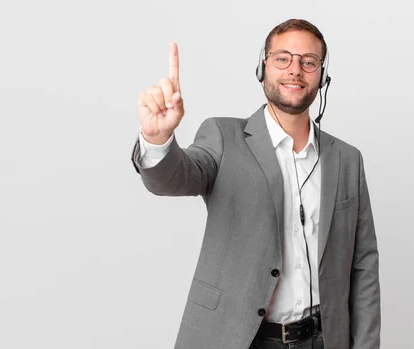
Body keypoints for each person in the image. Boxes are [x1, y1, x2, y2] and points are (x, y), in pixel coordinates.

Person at [131, 19, 380, 349]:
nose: (295, 70)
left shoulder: (347, 159)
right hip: (239, 338)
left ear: (322, 76)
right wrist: (157, 138)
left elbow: (363, 266)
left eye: (309, 62)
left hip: (322, 340)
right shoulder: (224, 137)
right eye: (282, 58)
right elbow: (176, 177)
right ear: (263, 68)